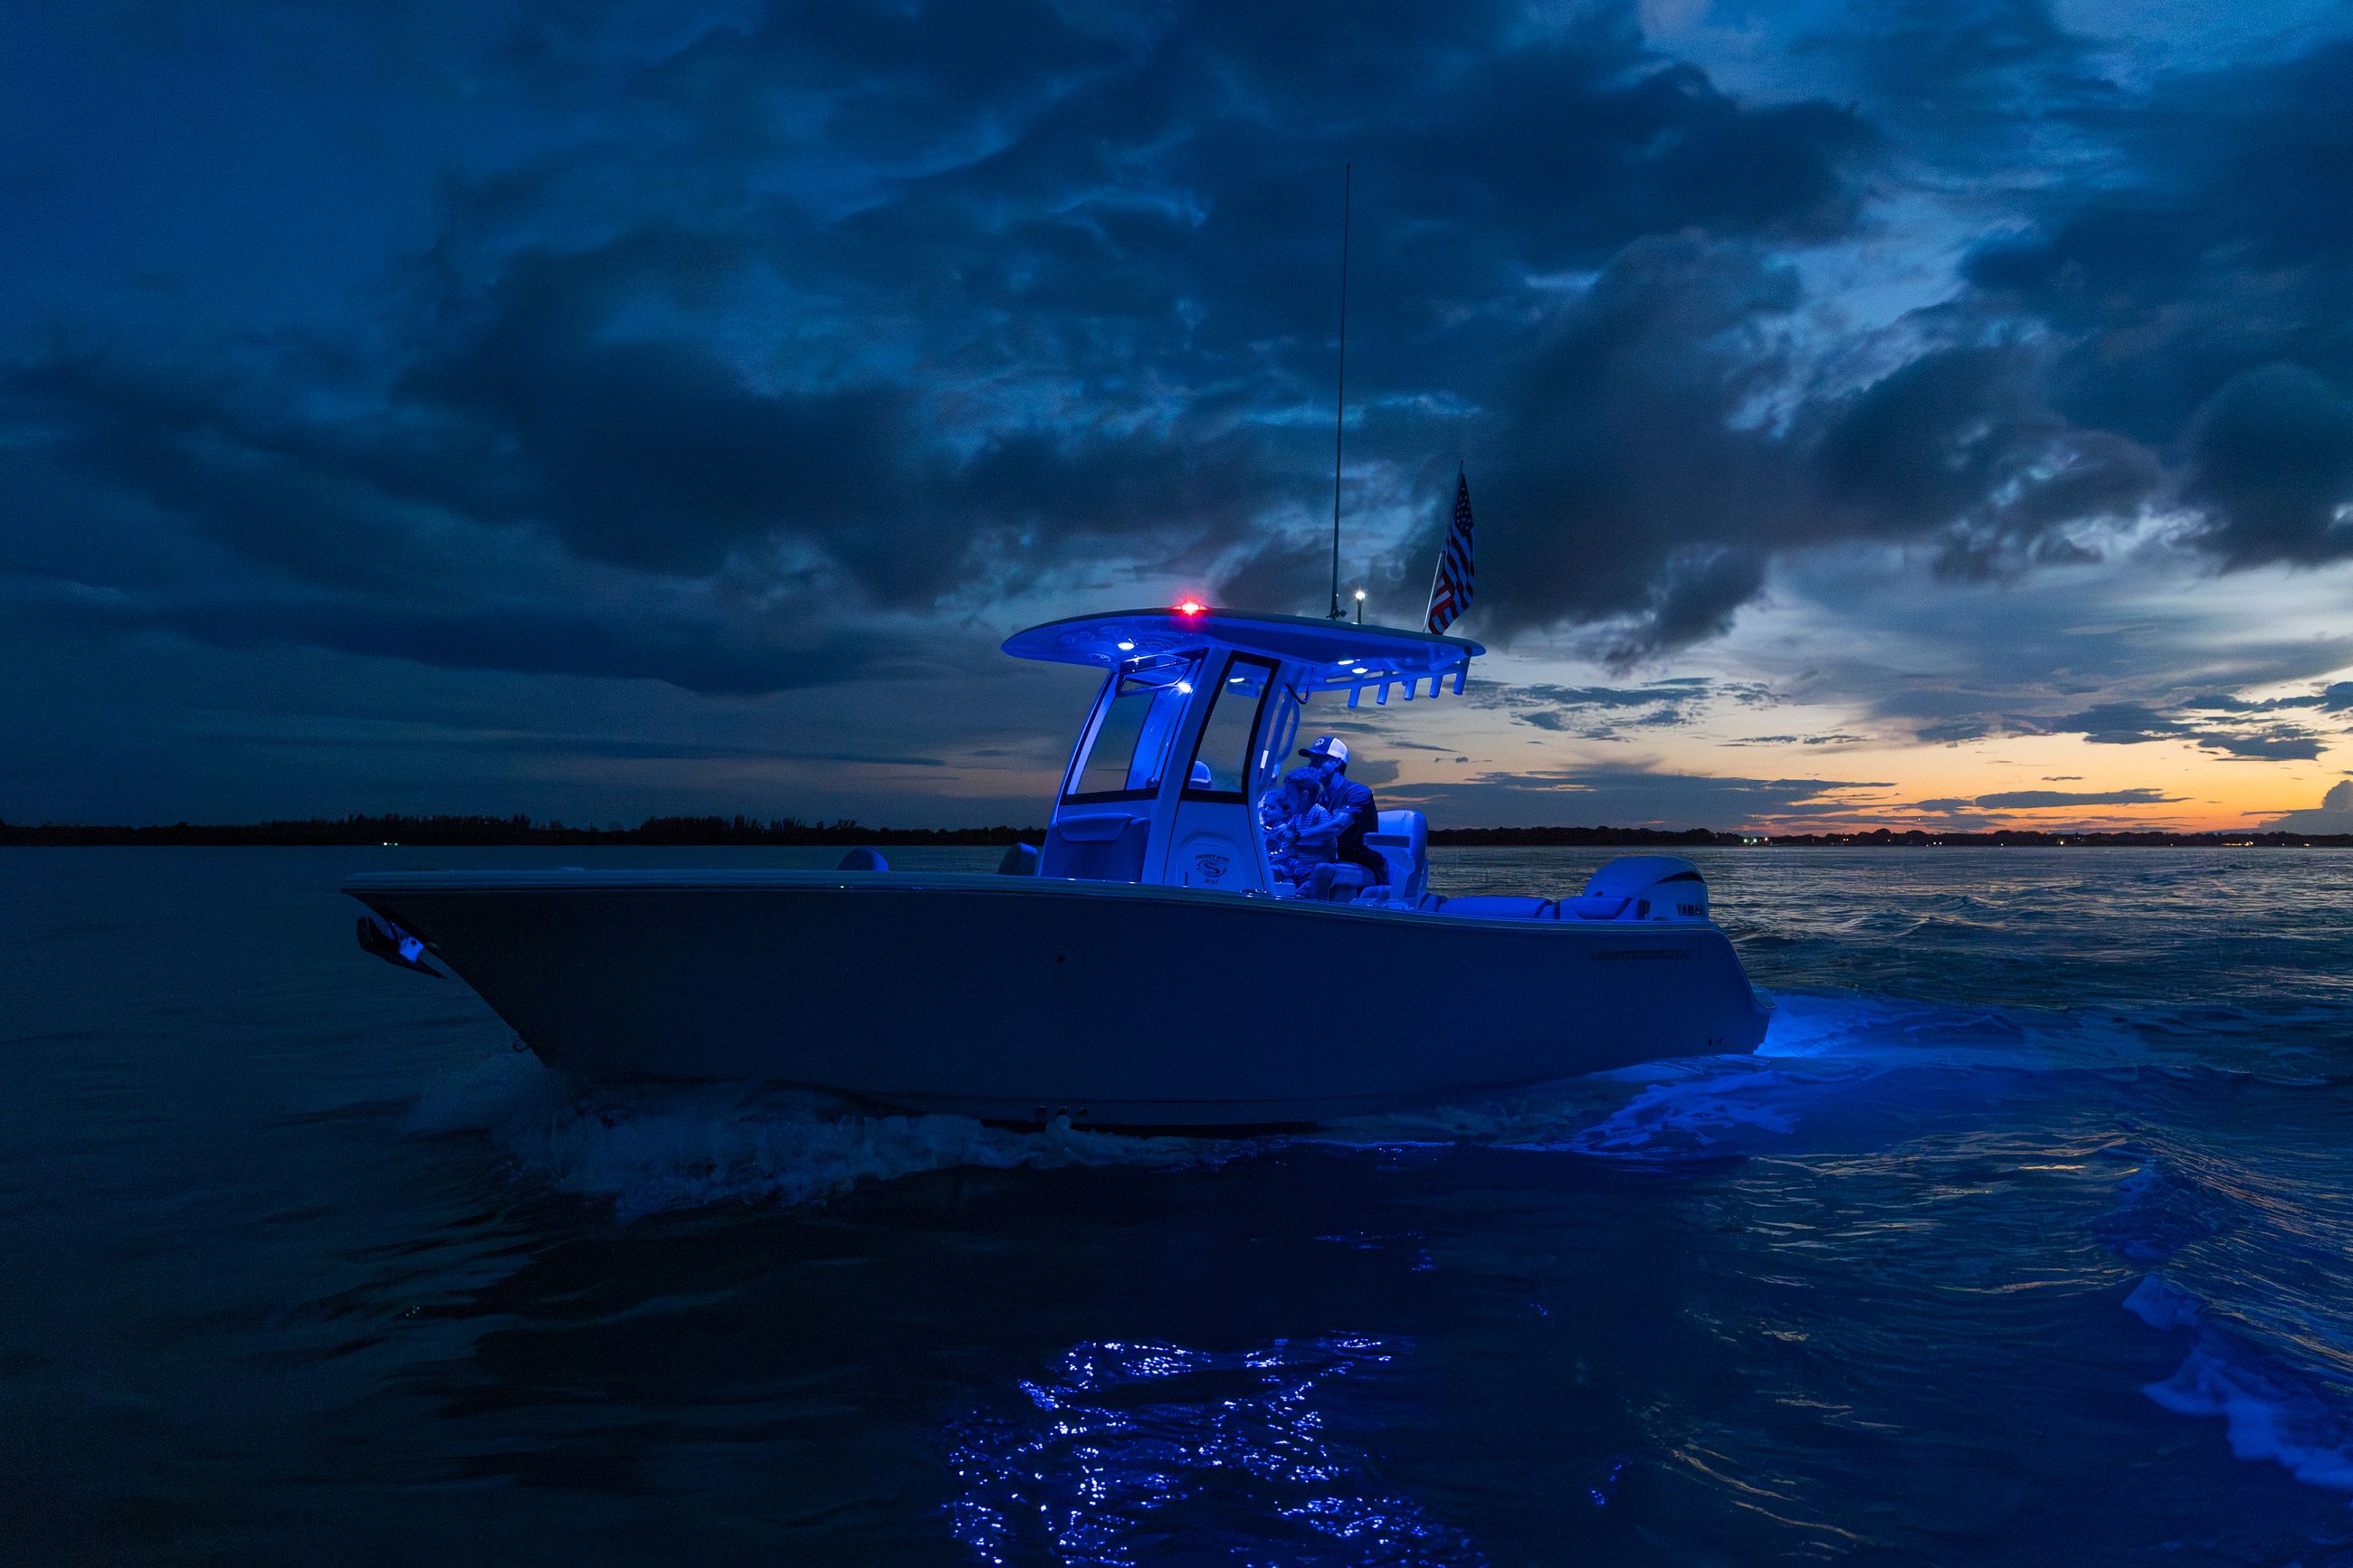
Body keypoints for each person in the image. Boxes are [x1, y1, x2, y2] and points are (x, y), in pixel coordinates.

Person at [1294, 736, 1384, 897]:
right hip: (1334, 862)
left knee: (1322, 869)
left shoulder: (1358, 792)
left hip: (1364, 868)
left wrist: (1296, 836)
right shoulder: (1319, 799)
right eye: (1311, 760)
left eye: (1318, 760)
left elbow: (1337, 825)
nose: (1311, 766)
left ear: (1336, 762)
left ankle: (1314, 918)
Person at [1257, 765, 1339, 891]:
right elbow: (1288, 837)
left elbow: (1328, 851)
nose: (1284, 797)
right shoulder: (1297, 816)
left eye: (1288, 793)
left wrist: (1298, 848)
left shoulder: (1319, 814)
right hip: (1298, 871)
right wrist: (1280, 835)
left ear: (1304, 795)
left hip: (1312, 873)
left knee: (1293, 893)